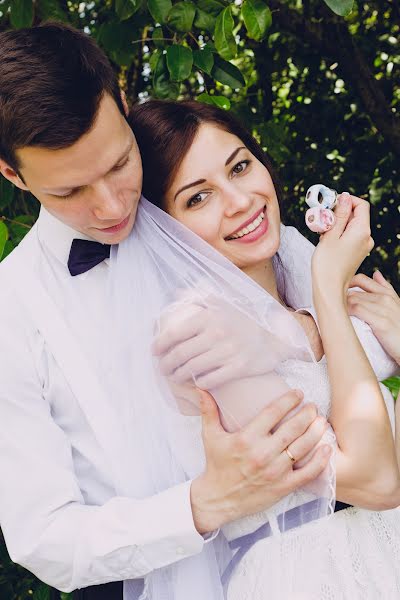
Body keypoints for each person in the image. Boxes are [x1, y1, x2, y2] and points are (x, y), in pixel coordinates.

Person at [0, 23, 332, 600]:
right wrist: (207, 503)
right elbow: (44, 537)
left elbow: (341, 316)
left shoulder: (204, 201)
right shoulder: (12, 308)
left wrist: (288, 333)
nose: (110, 206)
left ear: (125, 107)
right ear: (12, 175)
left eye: (120, 164)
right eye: (70, 192)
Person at [120, 99, 400, 598]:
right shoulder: (197, 331)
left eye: (240, 167)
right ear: (164, 228)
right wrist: (328, 293)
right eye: (198, 198)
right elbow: (374, 480)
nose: (240, 201)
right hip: (318, 574)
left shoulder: (296, 267)